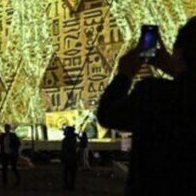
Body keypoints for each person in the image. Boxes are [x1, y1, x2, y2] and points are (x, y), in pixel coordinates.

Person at [97, 18, 196, 195]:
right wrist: (178, 72)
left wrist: (125, 75)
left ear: (180, 54)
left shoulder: (155, 94)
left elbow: (107, 114)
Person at [61, 126, 78, 190]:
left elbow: (64, 150)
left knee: (66, 173)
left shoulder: (66, 140)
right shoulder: (73, 139)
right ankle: (72, 186)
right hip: (73, 159)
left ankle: (67, 185)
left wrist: (63, 158)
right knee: (72, 174)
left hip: (68, 159)